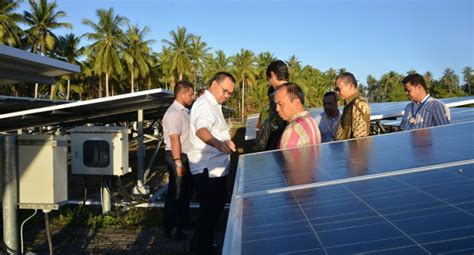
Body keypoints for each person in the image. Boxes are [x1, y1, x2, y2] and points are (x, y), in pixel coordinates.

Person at [187, 72, 236, 255]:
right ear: (214, 85)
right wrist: (219, 144)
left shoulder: (214, 104)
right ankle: (200, 248)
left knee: (213, 210)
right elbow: (202, 130)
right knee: (209, 212)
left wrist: (226, 141)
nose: (227, 96)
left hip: (216, 170)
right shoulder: (204, 105)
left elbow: (217, 130)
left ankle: (203, 244)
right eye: (225, 91)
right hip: (208, 170)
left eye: (230, 93)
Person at [161, 80, 195, 241]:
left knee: (185, 193)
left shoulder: (184, 111)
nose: (192, 97)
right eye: (190, 94)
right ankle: (171, 228)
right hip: (176, 156)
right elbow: (175, 140)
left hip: (185, 156)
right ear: (181, 94)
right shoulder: (174, 112)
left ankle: (184, 222)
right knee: (176, 193)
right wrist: (178, 163)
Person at [255, 60, 290, 151]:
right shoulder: (295, 90)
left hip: (279, 142)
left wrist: (267, 125)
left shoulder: (275, 93)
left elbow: (275, 122)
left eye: (269, 78)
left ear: (273, 75)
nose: (269, 82)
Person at [274, 82, 321, 149]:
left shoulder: (292, 130)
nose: (277, 109)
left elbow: (285, 159)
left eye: (281, 104)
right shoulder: (311, 121)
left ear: (296, 102)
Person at [334, 72, 371, 140]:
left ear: (351, 86)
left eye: (339, 89)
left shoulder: (359, 104)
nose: (337, 92)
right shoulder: (349, 104)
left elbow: (360, 137)